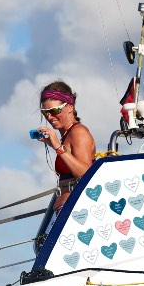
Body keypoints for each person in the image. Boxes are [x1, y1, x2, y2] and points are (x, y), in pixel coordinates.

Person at [31, 81, 96, 211]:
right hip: (65, 209)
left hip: (75, 210)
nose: (50, 117)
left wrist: (58, 147)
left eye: (54, 110)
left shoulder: (78, 132)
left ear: (70, 107)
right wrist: (55, 145)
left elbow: (85, 174)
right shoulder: (68, 135)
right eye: (45, 112)